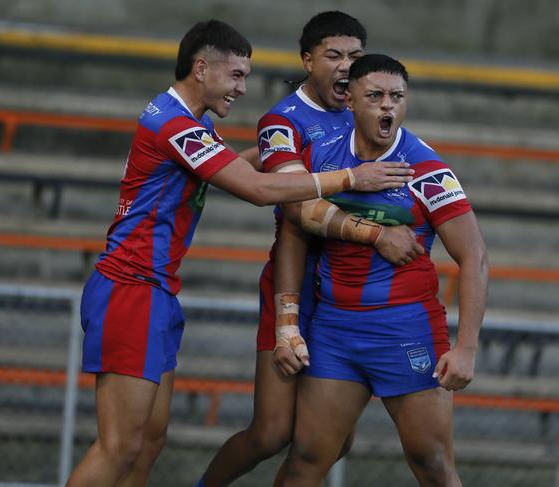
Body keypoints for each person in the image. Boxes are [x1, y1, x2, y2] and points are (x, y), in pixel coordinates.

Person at [65, 19, 412, 487]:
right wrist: (349, 178)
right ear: (202, 68)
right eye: (236, 76)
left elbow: (236, 166)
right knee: (120, 445)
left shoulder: (190, 121)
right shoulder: (174, 125)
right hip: (131, 285)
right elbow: (253, 188)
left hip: (155, 289)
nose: (242, 90)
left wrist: (282, 155)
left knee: (148, 441)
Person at [196, 12, 423, 487]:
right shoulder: (283, 120)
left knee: (333, 443)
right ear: (308, 60)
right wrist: (377, 233)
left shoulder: (365, 109)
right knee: (271, 433)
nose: (346, 66)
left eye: (355, 56)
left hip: (346, 290)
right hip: (296, 279)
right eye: (333, 55)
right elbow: (298, 208)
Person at [280, 54, 489, 487]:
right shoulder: (321, 158)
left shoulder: (425, 168)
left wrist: (466, 347)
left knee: (431, 462)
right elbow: (293, 228)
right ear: (351, 101)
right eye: (375, 96)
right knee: (306, 457)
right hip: (335, 330)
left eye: (396, 97)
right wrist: (288, 322)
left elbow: (474, 256)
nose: (387, 106)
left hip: (405, 329)